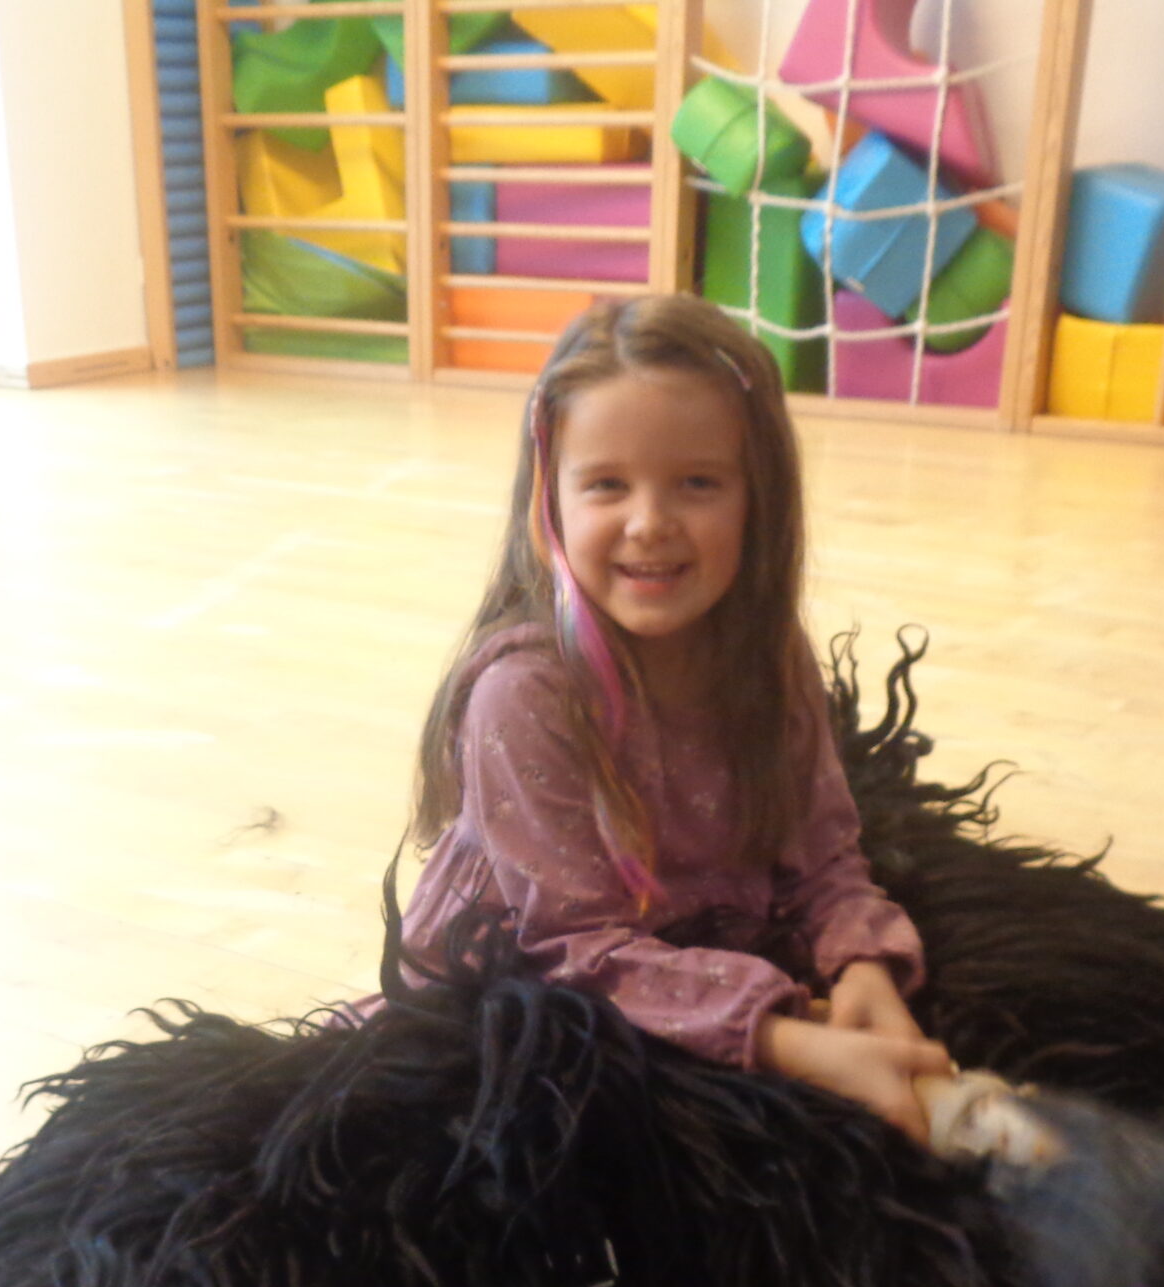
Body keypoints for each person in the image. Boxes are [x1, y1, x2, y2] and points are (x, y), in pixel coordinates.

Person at [396, 294, 952, 1142]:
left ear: (758, 499)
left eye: (698, 483)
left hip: (689, 965)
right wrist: (789, 1040)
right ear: (549, 504)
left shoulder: (772, 661)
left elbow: (823, 850)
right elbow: (569, 950)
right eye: (607, 485)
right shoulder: (525, 695)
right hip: (518, 1004)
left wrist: (864, 964)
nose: (650, 524)